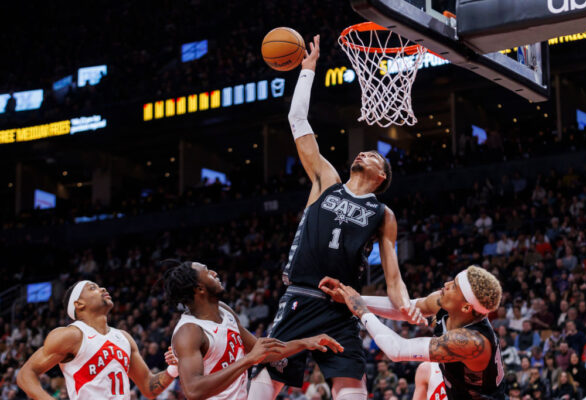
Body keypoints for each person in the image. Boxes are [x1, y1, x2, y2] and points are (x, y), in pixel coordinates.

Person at [249, 34, 422, 400]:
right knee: (269, 376)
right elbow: (297, 119)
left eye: (374, 155)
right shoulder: (326, 180)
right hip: (299, 296)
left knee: (351, 385)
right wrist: (308, 70)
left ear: (381, 177)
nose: (364, 154)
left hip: (341, 306)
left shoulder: (382, 213)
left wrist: (407, 306)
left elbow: (393, 278)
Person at [162, 261, 343, 400]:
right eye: (207, 272)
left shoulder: (224, 310)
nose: (214, 272)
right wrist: (248, 360)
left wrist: (306, 342)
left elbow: (261, 350)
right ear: (199, 289)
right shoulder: (189, 332)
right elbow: (193, 390)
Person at [322, 265, 506, 399]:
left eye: (455, 286)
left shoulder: (471, 341)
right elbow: (406, 308)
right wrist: (349, 297)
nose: (447, 283)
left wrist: (362, 311)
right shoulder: (446, 303)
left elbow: (398, 350)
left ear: (466, 307)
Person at [16, 281, 178, 399]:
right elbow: (25, 375)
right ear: (79, 304)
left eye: (100, 286)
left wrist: (173, 369)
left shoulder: (124, 337)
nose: (102, 288)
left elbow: (149, 387)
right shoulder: (71, 335)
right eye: (93, 288)